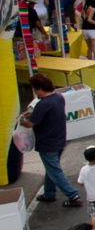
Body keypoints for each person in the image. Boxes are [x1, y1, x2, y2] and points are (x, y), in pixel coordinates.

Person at [22, 73, 82, 206]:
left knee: (54, 170)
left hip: (47, 143)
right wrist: (34, 113)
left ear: (38, 89)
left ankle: (72, 195)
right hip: (60, 139)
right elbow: (47, 114)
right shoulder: (58, 98)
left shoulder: (43, 104)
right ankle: (49, 193)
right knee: (51, 168)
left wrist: (22, 120)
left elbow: (30, 123)